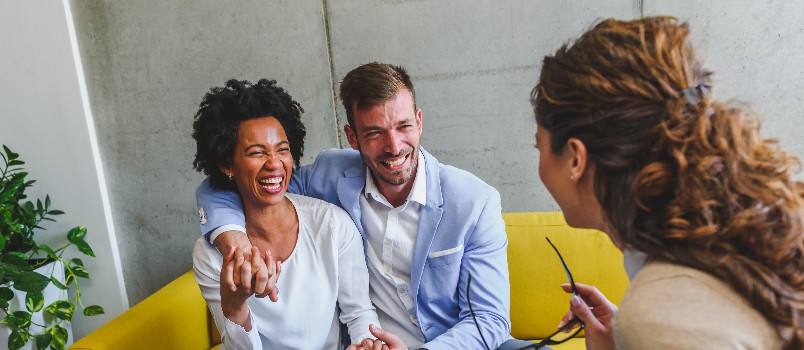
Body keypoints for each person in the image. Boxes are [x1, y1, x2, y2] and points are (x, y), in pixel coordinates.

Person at [532, 16, 803, 349]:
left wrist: (646, 333)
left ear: (575, 158)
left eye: (539, 146)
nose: (540, 166)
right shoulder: (714, 250)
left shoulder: (660, 314)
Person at [197, 63, 512, 349]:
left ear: (419, 121)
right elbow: (233, 186)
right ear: (352, 137)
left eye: (403, 126)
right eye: (374, 133)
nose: (394, 146)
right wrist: (234, 241)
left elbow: (490, 321)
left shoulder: (475, 202)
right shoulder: (331, 175)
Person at [191, 78, 389, 349]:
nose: (274, 163)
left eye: (282, 150)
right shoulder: (211, 255)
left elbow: (358, 313)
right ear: (227, 164)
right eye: (256, 152)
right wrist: (234, 307)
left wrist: (367, 343)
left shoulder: (331, 224)